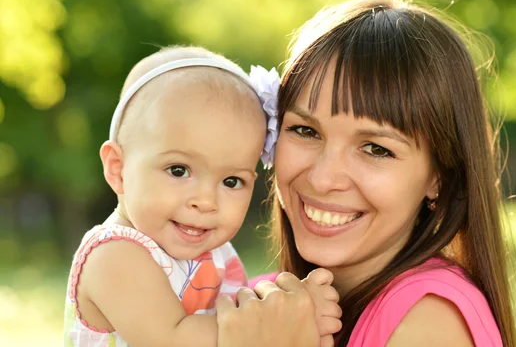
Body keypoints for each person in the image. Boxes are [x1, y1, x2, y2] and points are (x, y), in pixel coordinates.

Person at [224, 0, 516, 346]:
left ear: (439, 176)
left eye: (376, 148)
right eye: (306, 131)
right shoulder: (262, 299)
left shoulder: (429, 323)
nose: (322, 178)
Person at [63, 46, 341, 346]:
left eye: (231, 181)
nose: (206, 201)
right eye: (178, 170)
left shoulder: (213, 254)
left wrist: (295, 306)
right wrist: (286, 321)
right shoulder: (115, 254)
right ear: (118, 169)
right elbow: (173, 339)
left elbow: (236, 315)